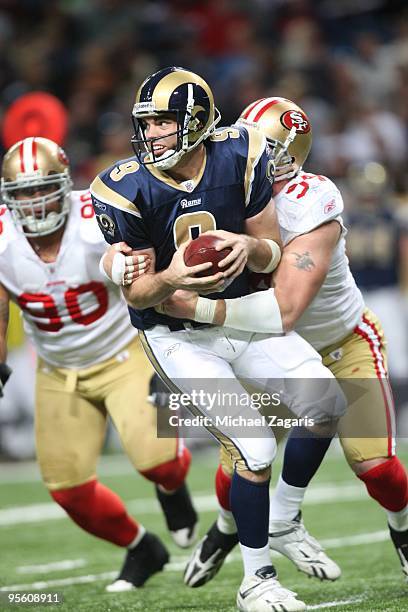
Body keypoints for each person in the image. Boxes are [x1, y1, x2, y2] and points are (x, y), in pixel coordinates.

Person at [93, 67, 346, 612]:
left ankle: (284, 516)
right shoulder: (122, 187)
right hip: (177, 335)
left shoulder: (242, 153)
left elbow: (272, 251)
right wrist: (169, 279)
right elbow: (138, 297)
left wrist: (244, 247)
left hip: (240, 317)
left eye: (164, 121)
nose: (152, 134)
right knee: (253, 447)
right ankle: (256, 579)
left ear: (198, 121)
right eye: (147, 123)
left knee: (327, 404)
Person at [158, 97, 408, 585]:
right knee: (240, 464)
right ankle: (226, 528)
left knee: (376, 466)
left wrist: (200, 308)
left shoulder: (313, 199)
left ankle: (399, 526)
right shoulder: (222, 192)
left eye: (262, 147)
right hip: (267, 348)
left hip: (340, 341)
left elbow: (288, 307)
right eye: (243, 142)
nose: (246, 154)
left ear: (290, 154)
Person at [0, 136, 199, 593]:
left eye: (41, 188)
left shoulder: (95, 219)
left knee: (159, 463)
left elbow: (141, 270)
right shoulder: (5, 237)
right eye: (22, 192)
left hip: (125, 353)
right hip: (55, 368)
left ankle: (173, 490)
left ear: (63, 183)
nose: (32, 201)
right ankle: (141, 546)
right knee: (67, 489)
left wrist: (124, 266)